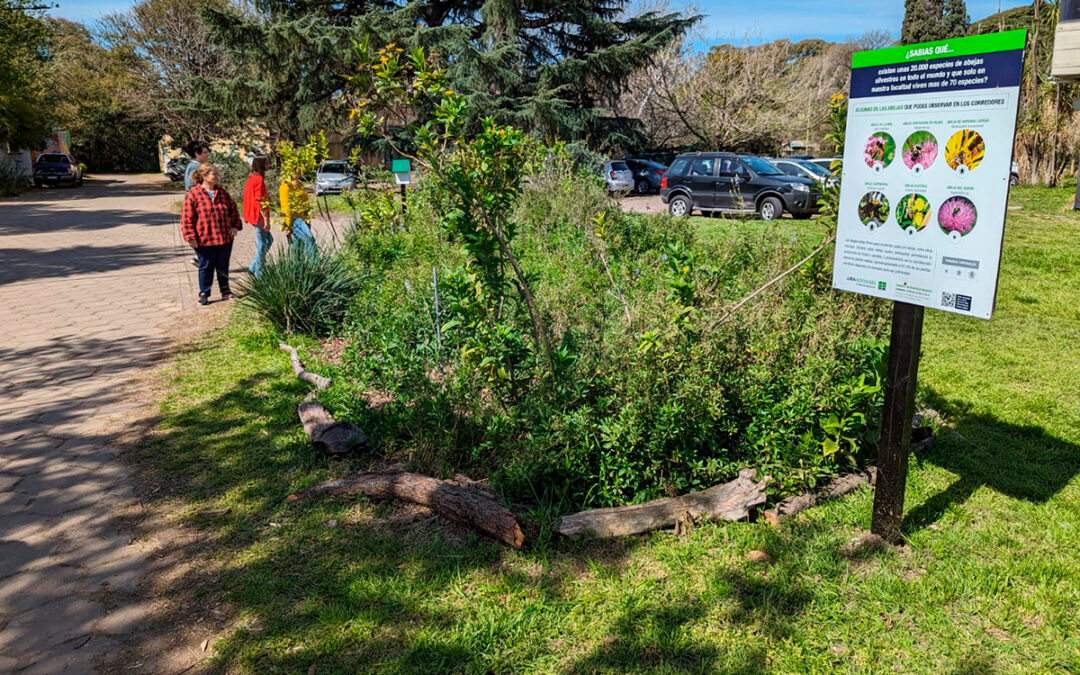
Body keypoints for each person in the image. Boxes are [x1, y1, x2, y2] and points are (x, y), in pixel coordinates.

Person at [181, 163, 242, 306]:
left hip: (224, 238)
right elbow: (187, 218)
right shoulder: (193, 194)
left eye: (217, 174)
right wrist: (190, 236)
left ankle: (225, 291)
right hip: (204, 239)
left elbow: (234, 211)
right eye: (214, 174)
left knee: (223, 266)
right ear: (204, 176)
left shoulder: (222, 193)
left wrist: (235, 226)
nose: (217, 176)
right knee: (205, 267)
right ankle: (204, 293)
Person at [243, 155, 273, 276]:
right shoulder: (258, 179)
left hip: (252, 215)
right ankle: (258, 272)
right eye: (266, 163)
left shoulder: (251, 178)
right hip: (258, 216)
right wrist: (266, 218)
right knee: (264, 243)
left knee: (269, 240)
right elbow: (259, 199)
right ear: (261, 164)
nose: (268, 165)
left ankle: (253, 267)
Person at [184, 141, 211, 267]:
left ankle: (200, 257)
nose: (207, 155)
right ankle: (199, 257)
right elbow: (196, 185)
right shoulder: (195, 167)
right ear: (197, 154)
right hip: (196, 203)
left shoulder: (193, 166)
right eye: (205, 152)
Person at [279, 169, 317, 253]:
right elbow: (285, 207)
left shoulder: (300, 184)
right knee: (309, 239)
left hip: (304, 219)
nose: (299, 171)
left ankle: (295, 264)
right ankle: (315, 264)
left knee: (298, 247)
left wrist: (307, 217)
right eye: (295, 169)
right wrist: (287, 225)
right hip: (295, 220)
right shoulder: (286, 186)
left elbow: (305, 201)